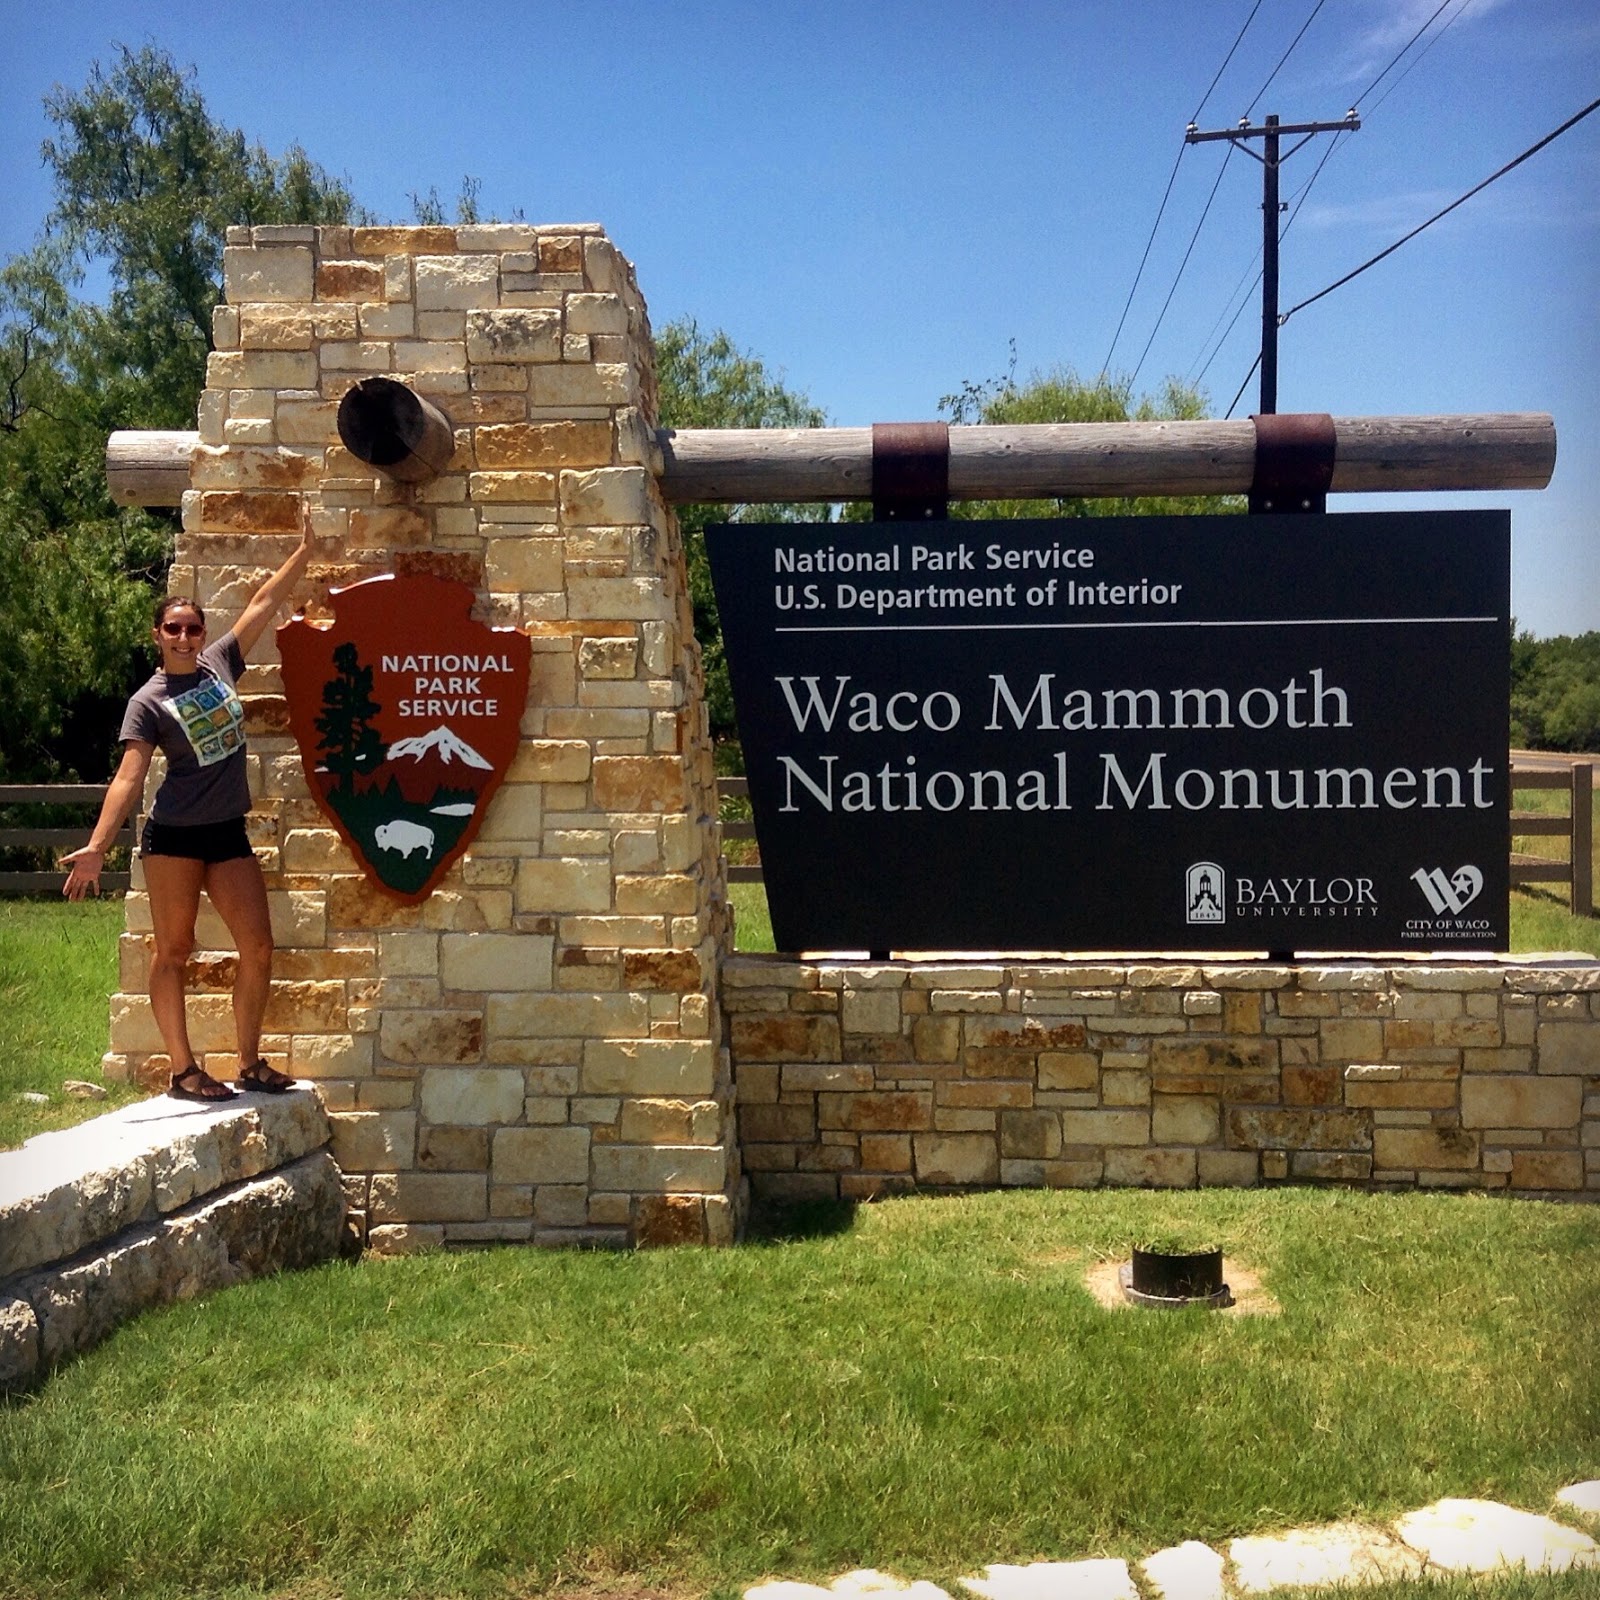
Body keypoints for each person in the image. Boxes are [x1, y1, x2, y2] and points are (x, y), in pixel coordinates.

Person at [63, 501, 316, 1102]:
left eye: (192, 627)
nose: (183, 636)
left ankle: (249, 1062)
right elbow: (130, 776)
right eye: (172, 628)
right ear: (157, 635)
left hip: (226, 833)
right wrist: (98, 847)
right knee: (174, 948)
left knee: (257, 946)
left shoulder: (219, 664)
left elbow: (260, 605)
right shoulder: (147, 701)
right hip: (173, 836)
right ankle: (182, 1069)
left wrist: (305, 552)